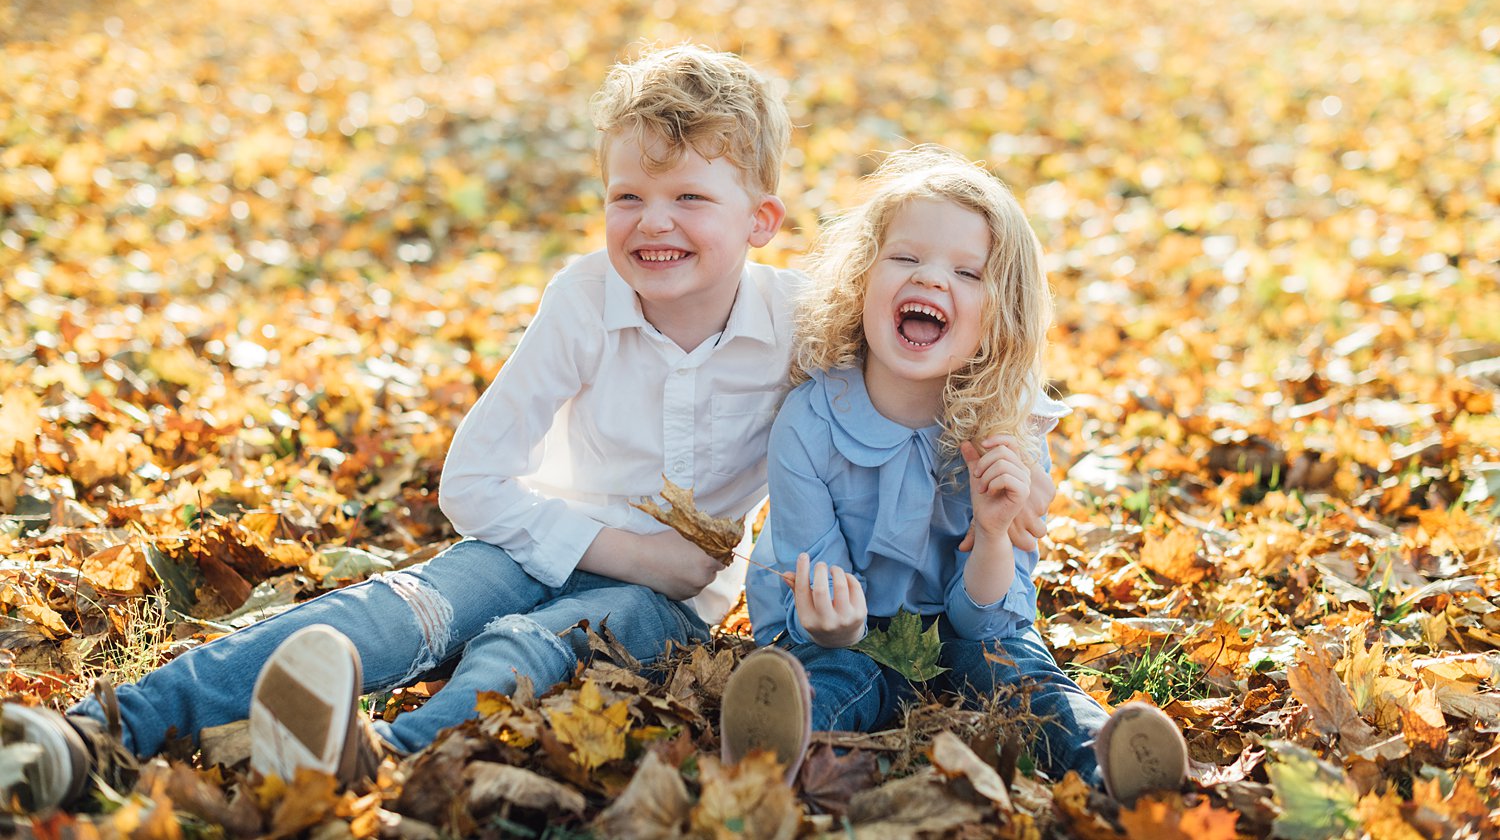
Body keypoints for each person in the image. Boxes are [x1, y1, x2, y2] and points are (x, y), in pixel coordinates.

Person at [1, 44, 801, 814]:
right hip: (538, 543)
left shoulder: (801, 328)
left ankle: (375, 755)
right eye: (627, 197)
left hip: (665, 609)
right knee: (390, 612)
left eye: (689, 198)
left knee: (531, 645)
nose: (652, 223)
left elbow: (873, 428)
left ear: (761, 220)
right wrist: (636, 553)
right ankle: (97, 732)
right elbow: (475, 479)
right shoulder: (586, 297)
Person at [723, 145, 1187, 804]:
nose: (933, 281)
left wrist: (994, 533)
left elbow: (989, 622)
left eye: (968, 273)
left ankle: (1112, 765)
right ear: (862, 279)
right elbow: (814, 584)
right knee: (835, 675)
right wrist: (834, 626)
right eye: (906, 259)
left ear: (1000, 316)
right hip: (836, 629)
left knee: (1018, 672)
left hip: (962, 630)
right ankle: (769, 751)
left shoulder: (1008, 432)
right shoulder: (810, 420)